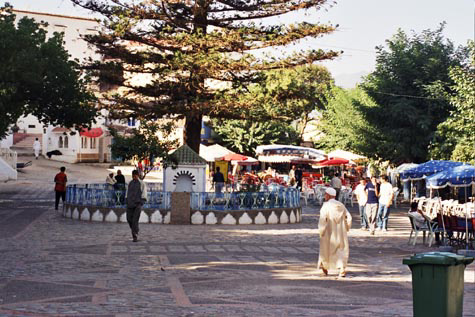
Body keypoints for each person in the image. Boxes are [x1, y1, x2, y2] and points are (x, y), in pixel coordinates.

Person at [317, 187, 352, 277]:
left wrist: (321, 231)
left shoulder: (326, 206)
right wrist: (347, 228)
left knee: (326, 250)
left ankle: (324, 268)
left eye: (326, 194)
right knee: (341, 250)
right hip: (341, 232)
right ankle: (342, 269)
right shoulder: (341, 205)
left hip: (328, 232)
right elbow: (349, 217)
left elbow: (322, 220)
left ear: (328, 195)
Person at [126, 170, 147, 242]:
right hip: (130, 204)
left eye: (135, 176)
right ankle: (136, 229)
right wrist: (127, 200)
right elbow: (127, 193)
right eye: (133, 176)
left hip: (138, 204)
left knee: (135, 220)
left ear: (138, 175)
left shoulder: (142, 183)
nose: (134, 177)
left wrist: (141, 202)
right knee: (129, 219)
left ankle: (134, 235)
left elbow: (144, 193)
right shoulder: (130, 183)